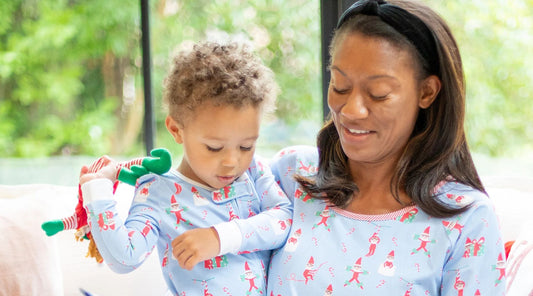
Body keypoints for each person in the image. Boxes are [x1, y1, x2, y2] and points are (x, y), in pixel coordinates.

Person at [267, 0, 506, 295]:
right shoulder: (290, 175)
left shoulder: (466, 218)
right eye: (339, 85)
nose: (352, 111)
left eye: (378, 94)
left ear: (427, 92)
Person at [79, 41, 292, 295]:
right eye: (214, 147)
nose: (232, 162)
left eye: (246, 146)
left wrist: (220, 237)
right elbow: (125, 258)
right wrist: (97, 192)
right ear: (176, 130)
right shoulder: (158, 191)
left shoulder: (253, 172)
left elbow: (283, 220)